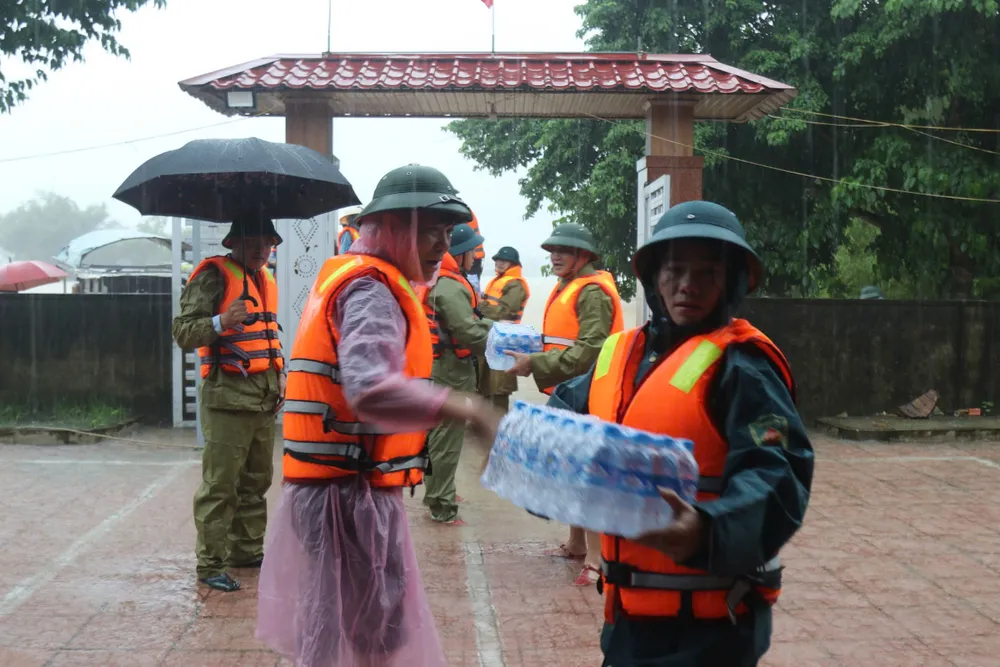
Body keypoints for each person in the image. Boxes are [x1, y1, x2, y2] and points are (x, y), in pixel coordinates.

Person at [256, 164, 501, 667]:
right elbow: (369, 388)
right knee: (352, 629)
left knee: (363, 623)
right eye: (427, 230)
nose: (440, 244)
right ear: (390, 228)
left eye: (445, 232)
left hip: (346, 487)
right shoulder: (371, 289)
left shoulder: (364, 279)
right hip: (343, 493)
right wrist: (468, 408)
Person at [549, 201, 814, 666]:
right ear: (655, 279)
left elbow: (777, 472)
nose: (688, 285)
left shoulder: (745, 368)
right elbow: (561, 415)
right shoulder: (620, 354)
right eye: (675, 270)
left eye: (707, 272)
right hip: (628, 618)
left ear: (731, 282)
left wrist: (707, 530)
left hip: (710, 630)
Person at [171, 215, 285, 593]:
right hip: (228, 398)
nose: (261, 249)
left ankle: (247, 552)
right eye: (253, 240)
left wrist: (279, 376)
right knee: (221, 486)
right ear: (234, 242)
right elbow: (184, 332)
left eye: (267, 242)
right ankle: (211, 564)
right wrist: (221, 321)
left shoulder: (264, 279)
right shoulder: (213, 276)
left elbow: (268, 335)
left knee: (256, 482)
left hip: (264, 395)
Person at [506, 222, 624, 585]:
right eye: (552, 250)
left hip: (592, 393)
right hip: (572, 390)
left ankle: (597, 559)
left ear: (583, 256)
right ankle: (576, 544)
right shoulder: (570, 287)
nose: (555, 255)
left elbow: (590, 350)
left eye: (564, 250)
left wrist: (535, 364)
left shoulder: (592, 292)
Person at [421, 223, 494, 525]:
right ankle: (443, 506)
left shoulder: (446, 279)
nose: (477, 255)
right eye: (473, 250)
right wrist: (500, 335)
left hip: (443, 367)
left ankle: (438, 493)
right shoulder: (450, 286)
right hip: (450, 370)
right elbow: (467, 331)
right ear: (461, 254)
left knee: (438, 436)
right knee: (447, 439)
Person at [477, 246, 530, 411]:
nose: (499, 263)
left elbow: (505, 312)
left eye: (503, 260)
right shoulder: (498, 280)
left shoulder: (516, 284)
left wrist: (479, 305)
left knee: (500, 388)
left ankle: (498, 428)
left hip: (505, 343)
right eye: (497, 260)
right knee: (482, 384)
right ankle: (481, 427)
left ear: (513, 264)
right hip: (489, 338)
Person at [466, 211, 486, 294]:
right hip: (473, 256)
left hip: (469, 256)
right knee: (472, 288)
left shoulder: (458, 210)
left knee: (470, 289)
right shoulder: (463, 209)